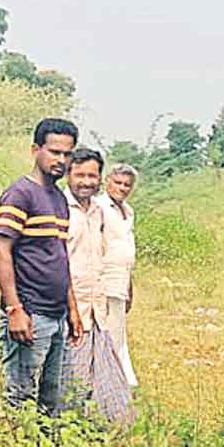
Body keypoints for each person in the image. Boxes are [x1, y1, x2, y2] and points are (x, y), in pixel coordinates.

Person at [0, 118, 84, 416]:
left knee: (51, 402)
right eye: (54, 152)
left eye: (67, 154)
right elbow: (0, 251)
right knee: (19, 398)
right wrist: (15, 310)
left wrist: (72, 309)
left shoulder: (58, 198)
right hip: (30, 315)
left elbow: (60, 256)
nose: (61, 160)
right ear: (36, 150)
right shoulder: (20, 194)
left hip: (56, 316)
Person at [62, 147, 134, 424]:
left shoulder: (97, 211)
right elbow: (61, 262)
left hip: (97, 307)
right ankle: (69, 432)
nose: (86, 181)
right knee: (71, 380)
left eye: (92, 175)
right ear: (68, 174)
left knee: (107, 374)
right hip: (72, 308)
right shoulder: (60, 207)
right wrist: (71, 310)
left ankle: (101, 431)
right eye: (79, 175)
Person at [97, 163, 140, 386]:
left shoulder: (128, 211)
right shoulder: (99, 207)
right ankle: (112, 384)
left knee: (118, 332)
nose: (122, 188)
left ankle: (119, 381)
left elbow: (126, 250)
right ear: (107, 182)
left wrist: (130, 285)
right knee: (108, 334)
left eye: (127, 185)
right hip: (105, 279)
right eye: (118, 183)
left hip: (122, 279)